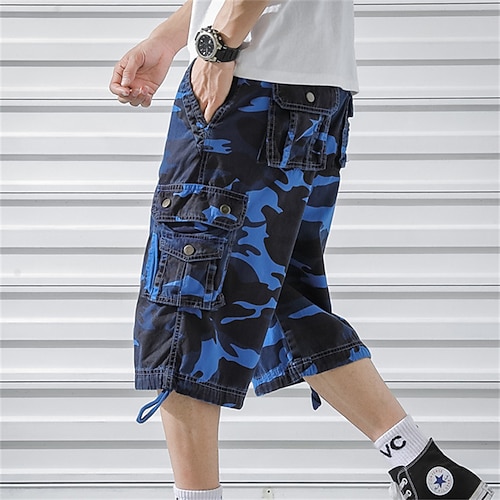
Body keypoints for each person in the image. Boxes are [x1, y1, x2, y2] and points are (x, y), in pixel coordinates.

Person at [109, 1, 494, 499]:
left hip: (249, 85)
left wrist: (217, 44)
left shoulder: (231, 56)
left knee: (186, 311)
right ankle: (428, 473)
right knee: (277, 291)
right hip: (312, 91)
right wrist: (167, 40)